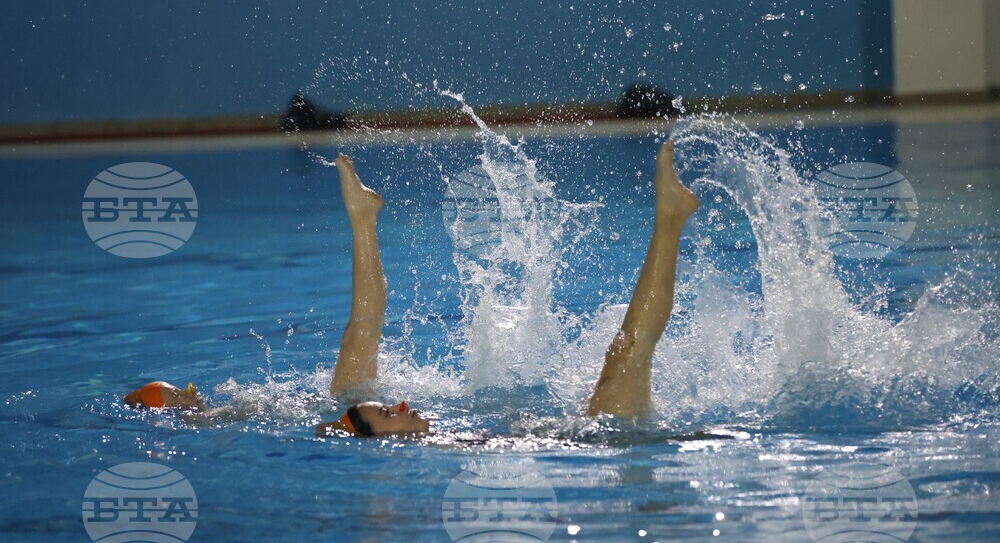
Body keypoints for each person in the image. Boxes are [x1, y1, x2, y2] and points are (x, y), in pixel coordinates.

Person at [126, 142, 699, 437]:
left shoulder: (398, 435)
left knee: (357, 339)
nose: (401, 402)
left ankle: (362, 220)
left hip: (562, 430)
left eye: (179, 392)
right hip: (599, 433)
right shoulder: (433, 445)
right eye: (176, 397)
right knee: (626, 352)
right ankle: (668, 221)